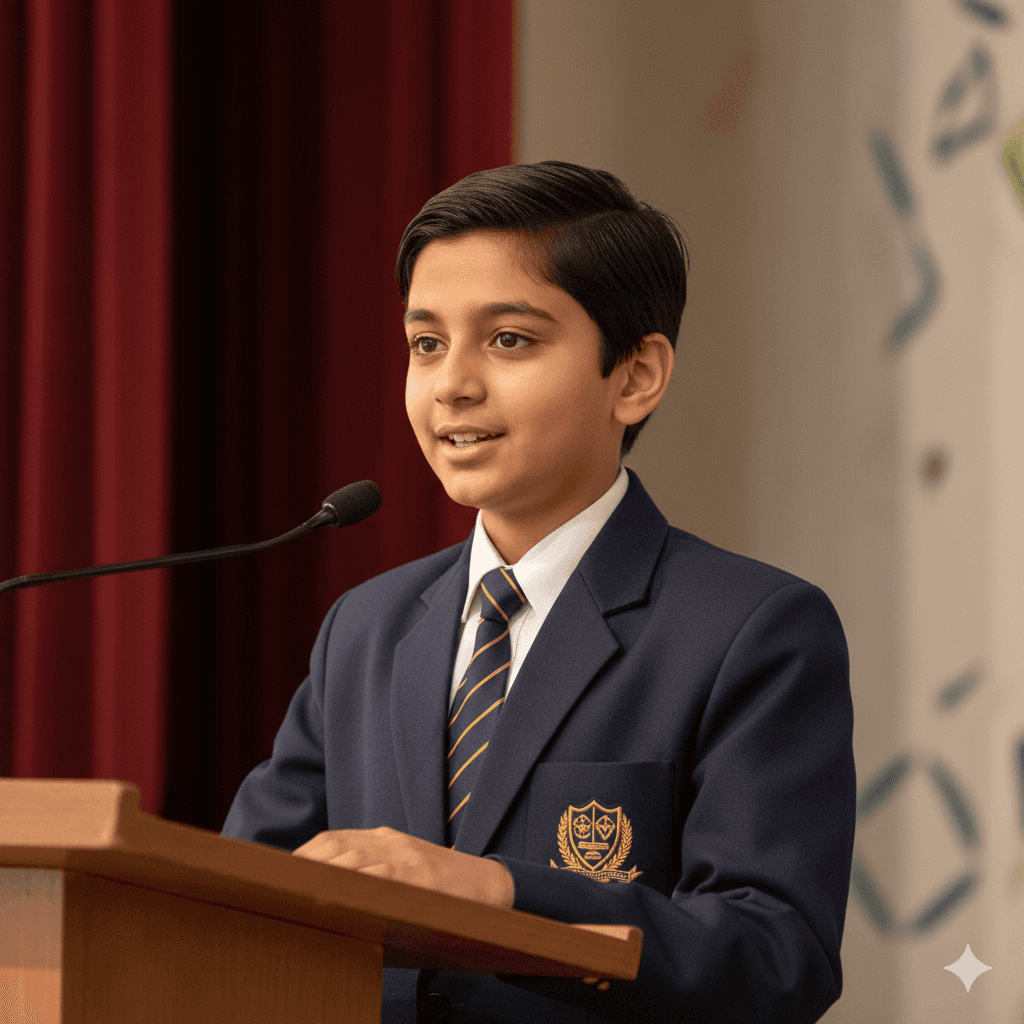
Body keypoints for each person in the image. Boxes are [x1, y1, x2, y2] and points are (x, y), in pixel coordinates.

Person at [222, 160, 856, 1024]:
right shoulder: (364, 628)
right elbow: (234, 901)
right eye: (426, 343)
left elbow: (776, 959)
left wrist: (494, 894)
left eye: (509, 340)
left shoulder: (752, 629)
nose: (452, 385)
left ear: (635, 377)